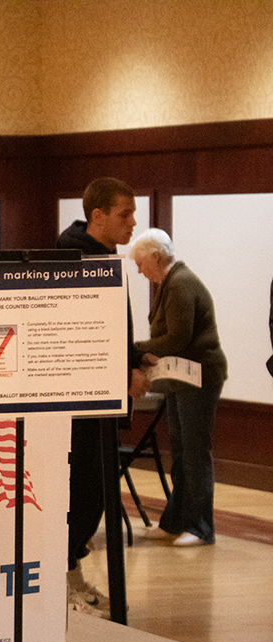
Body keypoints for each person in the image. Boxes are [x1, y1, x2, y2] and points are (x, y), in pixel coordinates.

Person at [55, 177, 148, 617]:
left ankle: (70, 575)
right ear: (98, 216)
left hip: (100, 398)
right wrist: (120, 372)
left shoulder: (104, 255)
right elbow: (82, 334)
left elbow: (114, 325)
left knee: (94, 491)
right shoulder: (75, 258)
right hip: (80, 401)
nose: (133, 222)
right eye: (124, 214)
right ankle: (60, 581)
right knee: (83, 491)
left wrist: (133, 359)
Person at [132, 229, 227, 546]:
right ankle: (175, 521)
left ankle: (200, 527)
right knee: (182, 452)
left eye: (141, 263)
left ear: (156, 257)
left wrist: (135, 348)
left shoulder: (182, 284)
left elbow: (177, 338)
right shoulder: (173, 282)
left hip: (199, 379)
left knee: (194, 453)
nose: (139, 270)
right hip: (181, 379)